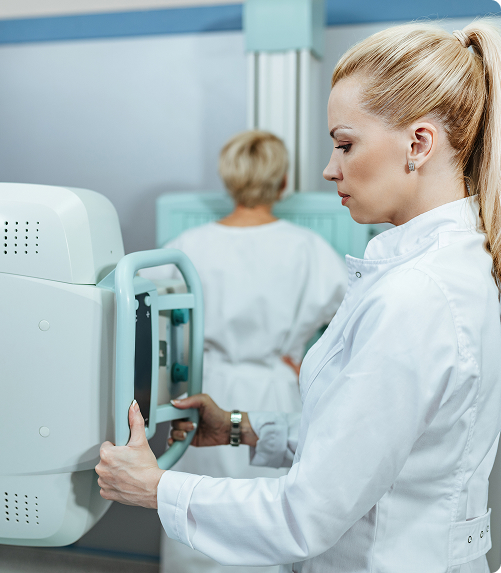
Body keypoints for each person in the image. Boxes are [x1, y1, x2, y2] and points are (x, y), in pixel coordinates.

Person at [96, 19, 501, 573]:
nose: (331, 170)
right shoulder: (443, 267)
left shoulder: (417, 296)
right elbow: (364, 444)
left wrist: (153, 487)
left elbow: (303, 516)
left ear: (419, 143)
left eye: (345, 144)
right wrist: (239, 427)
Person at [139, 130, 347, 573]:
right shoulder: (308, 249)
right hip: (275, 388)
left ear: (228, 177)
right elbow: (351, 317)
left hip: (202, 389)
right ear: (283, 181)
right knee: (268, 516)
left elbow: (152, 315)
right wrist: (299, 358)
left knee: (195, 507)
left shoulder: (189, 246)